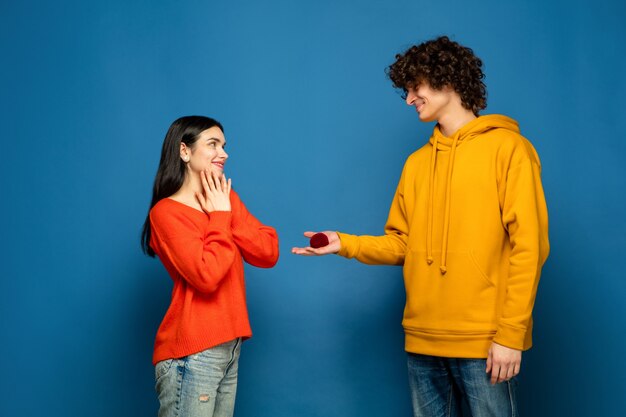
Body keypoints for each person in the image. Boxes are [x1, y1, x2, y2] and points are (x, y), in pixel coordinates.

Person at [292, 36, 549, 417]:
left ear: (446, 80)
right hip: (422, 339)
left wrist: (511, 335)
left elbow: (530, 247)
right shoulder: (416, 163)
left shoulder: (510, 150)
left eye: (415, 86)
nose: (409, 98)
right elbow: (402, 245)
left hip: (484, 342)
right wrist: (344, 243)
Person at [141, 116, 279, 417]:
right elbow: (207, 275)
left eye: (224, 146)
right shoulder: (166, 213)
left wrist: (224, 213)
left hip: (229, 347)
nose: (224, 153)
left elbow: (268, 251)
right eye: (213, 144)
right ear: (185, 151)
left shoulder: (224, 199)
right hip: (192, 353)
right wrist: (221, 217)